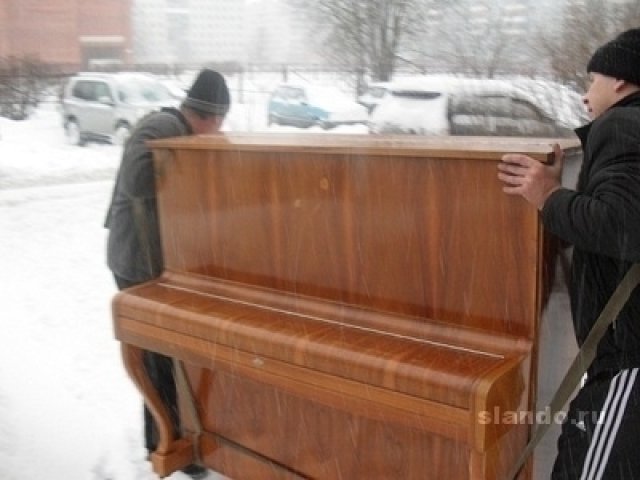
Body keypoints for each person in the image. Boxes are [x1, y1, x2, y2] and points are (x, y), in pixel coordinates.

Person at [497, 28, 640, 479]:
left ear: (619, 81)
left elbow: (624, 227)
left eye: (592, 79)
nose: (585, 96)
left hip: (627, 361)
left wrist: (549, 195)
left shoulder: (621, 124)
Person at [105, 69, 230, 480]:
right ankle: (163, 443)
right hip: (137, 264)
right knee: (159, 359)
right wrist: (184, 159)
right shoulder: (162, 127)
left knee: (166, 358)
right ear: (210, 118)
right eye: (220, 125)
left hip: (150, 263)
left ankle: (173, 441)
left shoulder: (174, 129)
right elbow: (138, 180)